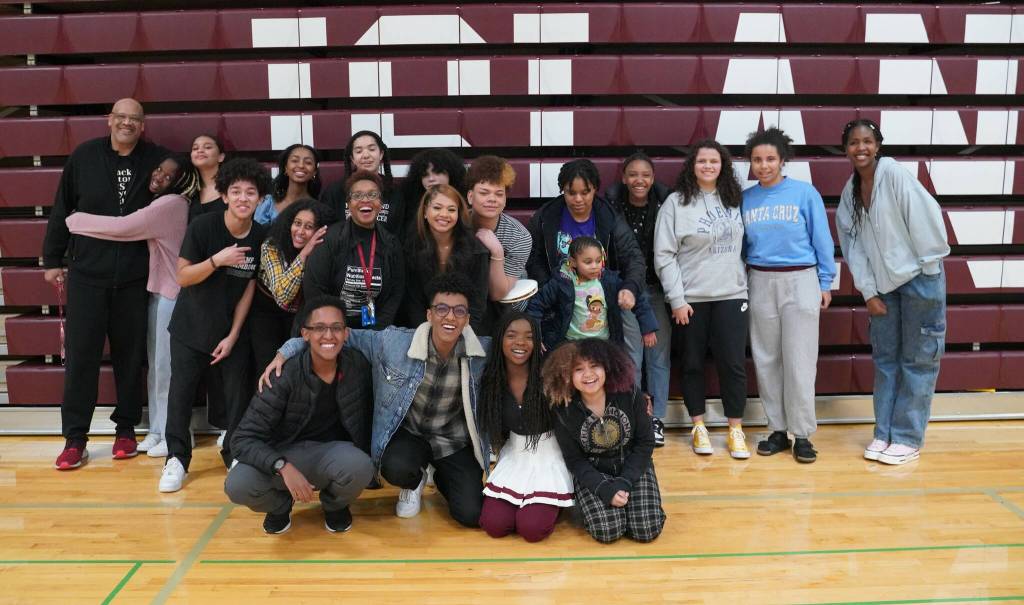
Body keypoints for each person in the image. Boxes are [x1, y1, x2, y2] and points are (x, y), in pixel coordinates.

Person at [263, 273, 491, 527]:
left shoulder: (482, 353)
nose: (450, 317)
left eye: (459, 311)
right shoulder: (393, 342)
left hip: (451, 440)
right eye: (442, 309)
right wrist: (286, 351)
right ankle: (413, 481)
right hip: (410, 435)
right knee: (395, 466)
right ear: (429, 315)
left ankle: (440, 475)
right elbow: (338, 335)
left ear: (467, 319)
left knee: (471, 515)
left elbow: (515, 350)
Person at [43, 98, 169, 470]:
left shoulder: (156, 159)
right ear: (109, 120)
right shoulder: (83, 156)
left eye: (135, 119)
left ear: (142, 125)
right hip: (87, 275)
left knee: (130, 358)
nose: (127, 123)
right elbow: (61, 207)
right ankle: (75, 438)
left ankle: (126, 429)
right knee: (81, 358)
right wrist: (52, 259)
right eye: (121, 117)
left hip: (134, 277)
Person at [65, 154, 200, 459]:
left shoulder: (171, 204)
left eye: (169, 175)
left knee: (166, 369)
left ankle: (176, 433)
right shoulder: (164, 202)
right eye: (159, 169)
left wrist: (74, 220)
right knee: (156, 367)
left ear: (180, 182)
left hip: (173, 294)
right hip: (159, 293)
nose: (159, 176)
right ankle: (158, 430)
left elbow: (122, 227)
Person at [836, 119, 949, 465]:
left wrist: (928, 270)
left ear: (878, 145)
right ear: (846, 149)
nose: (861, 148)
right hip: (884, 289)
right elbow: (853, 247)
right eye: (854, 142)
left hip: (920, 279)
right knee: (886, 362)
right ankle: (883, 433)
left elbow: (925, 218)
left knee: (918, 361)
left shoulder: (895, 175)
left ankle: (907, 438)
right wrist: (869, 292)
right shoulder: (850, 193)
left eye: (867, 141)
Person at [158, 157, 270, 493]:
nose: (243, 198)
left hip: (230, 331)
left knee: (237, 396)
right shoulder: (203, 227)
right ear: (224, 195)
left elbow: (250, 286)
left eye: (250, 192)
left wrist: (234, 335)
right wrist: (216, 260)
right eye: (236, 191)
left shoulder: (261, 235)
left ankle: (234, 454)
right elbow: (182, 276)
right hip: (190, 328)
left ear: (260, 199)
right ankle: (176, 459)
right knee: (181, 394)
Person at [225, 297, 375, 534]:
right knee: (238, 484)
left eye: (336, 328)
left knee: (361, 466)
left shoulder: (358, 366)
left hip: (332, 453)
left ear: (346, 333)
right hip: (283, 453)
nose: (329, 335)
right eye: (320, 328)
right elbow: (241, 439)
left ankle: (335, 506)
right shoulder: (283, 374)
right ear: (305, 334)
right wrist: (282, 466)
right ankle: (280, 506)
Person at [742, 127, 836, 464]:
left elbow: (822, 239)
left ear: (783, 160)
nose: (764, 165)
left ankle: (803, 433)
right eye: (757, 159)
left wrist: (825, 281)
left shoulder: (804, 193)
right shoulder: (746, 199)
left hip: (801, 279)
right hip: (760, 279)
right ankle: (778, 430)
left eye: (770, 158)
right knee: (767, 358)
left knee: (800, 360)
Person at [654, 140, 750, 459]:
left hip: (732, 294)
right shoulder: (675, 203)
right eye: (701, 161)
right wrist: (677, 299)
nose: (708, 166)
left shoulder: (734, 199)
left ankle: (735, 429)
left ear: (723, 166)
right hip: (690, 300)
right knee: (692, 364)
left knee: (733, 364)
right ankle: (698, 426)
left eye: (714, 161)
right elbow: (664, 255)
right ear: (692, 166)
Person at [543, 338, 666, 543]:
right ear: (567, 375)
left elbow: (645, 443)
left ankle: (630, 508)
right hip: (593, 471)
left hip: (632, 466)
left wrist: (625, 482)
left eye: (594, 366)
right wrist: (604, 489)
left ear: (607, 367)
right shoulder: (563, 409)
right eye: (578, 369)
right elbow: (575, 460)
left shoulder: (629, 393)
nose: (588, 374)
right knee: (608, 531)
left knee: (646, 529)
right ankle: (601, 508)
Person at [477, 312, 573, 542]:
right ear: (500, 339)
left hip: (550, 457)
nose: (520, 342)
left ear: (537, 342)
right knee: (495, 526)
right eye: (511, 335)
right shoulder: (491, 379)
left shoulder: (550, 375)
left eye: (529, 337)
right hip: (515, 455)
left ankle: (555, 501)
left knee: (532, 529)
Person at [605, 152, 673, 444]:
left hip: (657, 289)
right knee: (631, 355)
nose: (639, 180)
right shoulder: (612, 206)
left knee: (658, 356)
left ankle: (656, 418)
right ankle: (634, 417)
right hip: (626, 291)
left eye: (645, 175)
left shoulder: (666, 205)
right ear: (623, 178)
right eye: (633, 174)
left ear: (653, 178)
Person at [302, 171, 405, 330]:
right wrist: (337, 329)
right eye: (357, 195)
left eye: (372, 195)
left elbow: (395, 293)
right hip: (331, 328)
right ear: (348, 204)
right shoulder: (329, 239)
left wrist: (375, 333)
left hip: (373, 327)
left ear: (381, 203)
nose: (365, 200)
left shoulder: (391, 244)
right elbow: (314, 290)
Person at [527, 236, 659, 353]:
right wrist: (536, 335)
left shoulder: (609, 280)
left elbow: (637, 298)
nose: (595, 266)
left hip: (603, 345)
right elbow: (536, 304)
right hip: (571, 346)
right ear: (573, 262)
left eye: (598, 260)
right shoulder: (562, 282)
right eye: (588, 262)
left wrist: (648, 327)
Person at [251, 199, 334, 373]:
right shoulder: (271, 246)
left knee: (296, 367)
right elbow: (283, 295)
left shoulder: (323, 251)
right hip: (266, 312)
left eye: (309, 227)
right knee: (268, 369)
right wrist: (304, 254)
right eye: (297, 223)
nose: (300, 231)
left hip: (299, 315)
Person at [401, 184, 491, 335]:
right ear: (425, 212)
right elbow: (413, 303)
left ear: (459, 214)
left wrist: (461, 336)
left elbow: (477, 304)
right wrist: (429, 336)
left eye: (451, 210)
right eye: (437, 208)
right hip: (424, 329)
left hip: (467, 330)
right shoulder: (411, 248)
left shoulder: (476, 250)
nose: (444, 214)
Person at [466, 155, 533, 311]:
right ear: (470, 196)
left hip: (507, 307)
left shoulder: (520, 236)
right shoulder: (456, 224)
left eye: (499, 194)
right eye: (484, 193)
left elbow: (498, 294)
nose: (492, 199)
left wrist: (497, 251)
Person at [319, 131, 405, 234]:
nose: (366, 155)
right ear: (352, 158)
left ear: (381, 154)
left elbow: (400, 232)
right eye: (359, 151)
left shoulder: (395, 192)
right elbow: (327, 231)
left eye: (372, 149)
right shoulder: (335, 191)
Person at [400, 147, 466, 234]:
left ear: (451, 174)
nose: (431, 179)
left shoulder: (465, 202)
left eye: (437, 173)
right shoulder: (409, 206)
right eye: (425, 175)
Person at [253, 144, 322, 225]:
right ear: (285, 168)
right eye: (295, 161)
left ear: (314, 171)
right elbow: (257, 231)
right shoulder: (268, 203)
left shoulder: (318, 208)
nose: (301, 165)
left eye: (308, 162)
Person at [189, 134, 227, 222]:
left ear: (221, 157)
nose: (200, 151)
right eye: (195, 148)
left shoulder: (231, 186)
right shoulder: (189, 192)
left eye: (207, 147)